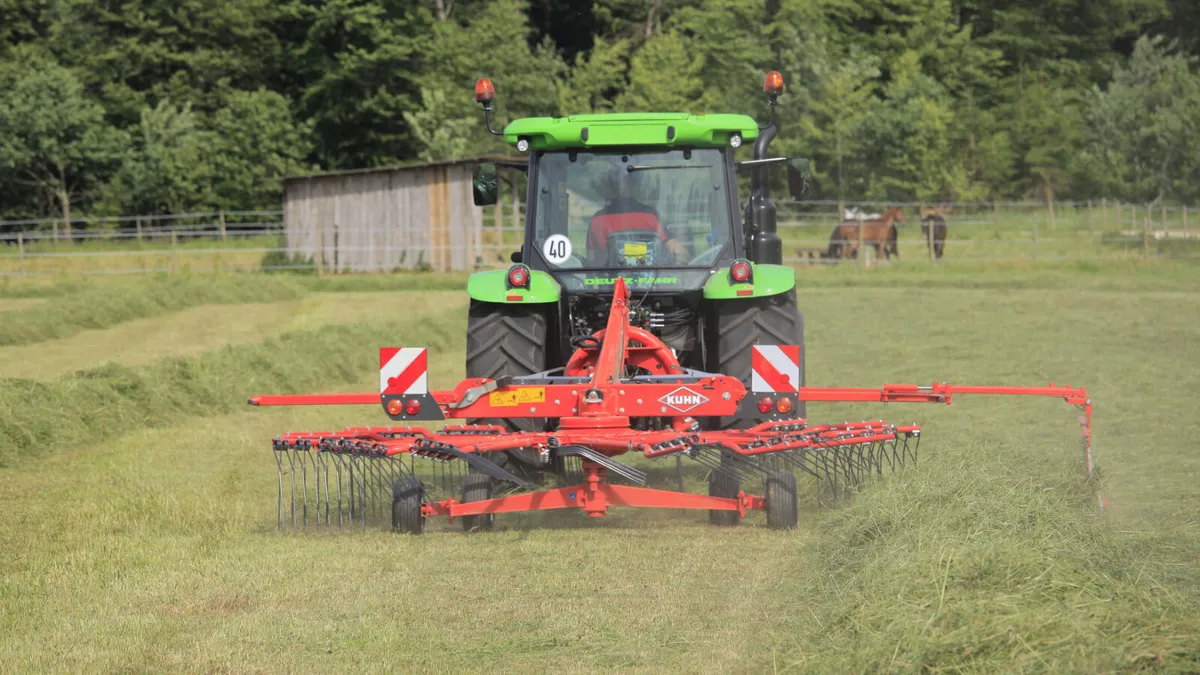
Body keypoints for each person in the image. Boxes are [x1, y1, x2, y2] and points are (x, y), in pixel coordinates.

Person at [587, 164, 686, 264]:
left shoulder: (597, 220)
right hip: (651, 278)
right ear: (634, 185)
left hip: (610, 278)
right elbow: (676, 251)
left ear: (610, 186)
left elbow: (592, 261)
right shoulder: (650, 216)